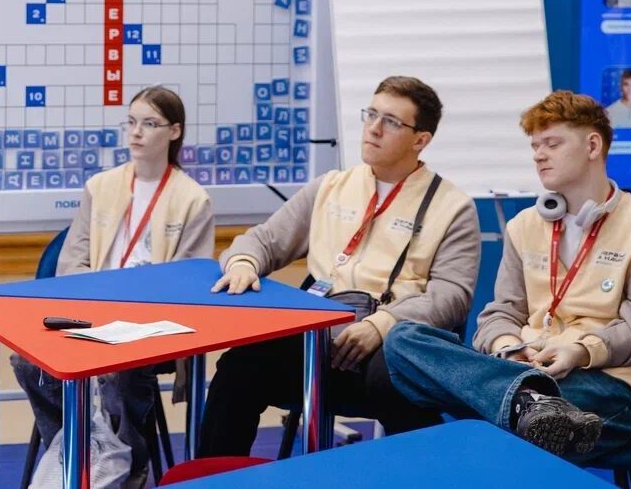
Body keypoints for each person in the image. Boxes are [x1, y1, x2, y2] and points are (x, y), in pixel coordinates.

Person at [198, 76, 481, 456]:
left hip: (386, 346)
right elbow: (263, 240)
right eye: (371, 114)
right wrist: (244, 263)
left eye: (391, 122)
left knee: (397, 381)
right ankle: (214, 478)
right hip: (317, 340)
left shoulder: (453, 207)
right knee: (239, 367)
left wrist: (382, 324)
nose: (374, 128)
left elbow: (452, 296)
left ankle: (425, 474)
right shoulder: (331, 186)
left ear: (420, 140)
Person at [385, 91, 631, 461]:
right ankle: (525, 401)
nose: (538, 155)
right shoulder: (524, 225)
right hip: (527, 368)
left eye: (552, 143)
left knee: (494, 426)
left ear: (592, 145)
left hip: (605, 382)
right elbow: (501, 312)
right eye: (535, 145)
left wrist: (580, 351)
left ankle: (520, 403)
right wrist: (509, 346)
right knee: (404, 338)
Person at [13, 86, 214, 487]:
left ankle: (130, 462)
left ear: (174, 131)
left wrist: (133, 309)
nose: (136, 132)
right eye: (131, 122)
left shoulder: (193, 200)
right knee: (27, 362)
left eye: (149, 124)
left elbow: (188, 281)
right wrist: (95, 300)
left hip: (149, 322)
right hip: (92, 311)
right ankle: (74, 451)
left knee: (122, 372)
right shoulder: (100, 186)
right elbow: (71, 262)